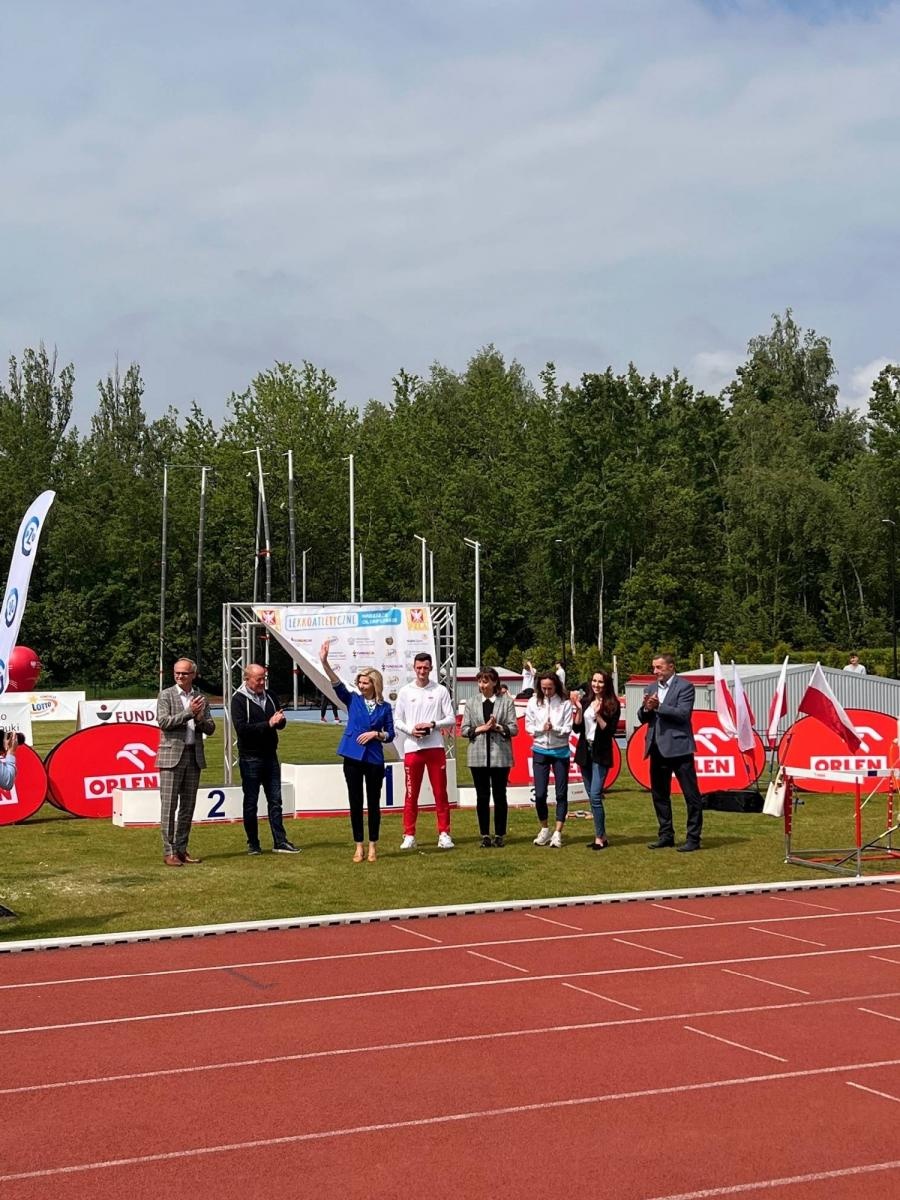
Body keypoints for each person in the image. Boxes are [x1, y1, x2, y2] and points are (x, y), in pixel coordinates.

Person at [319, 640, 395, 862]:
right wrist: (324, 662)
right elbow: (336, 684)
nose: (361, 686)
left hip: (373, 758)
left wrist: (376, 735)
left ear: (374, 684)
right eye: (360, 682)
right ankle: (358, 845)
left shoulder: (385, 707)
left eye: (365, 683)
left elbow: (391, 733)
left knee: (373, 802)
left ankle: (373, 845)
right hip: (352, 756)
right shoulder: (353, 699)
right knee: (355, 801)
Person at [230, 664, 300, 856]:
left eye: (263, 678)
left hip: (270, 755)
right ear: (247, 679)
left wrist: (280, 720)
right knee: (251, 802)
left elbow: (279, 723)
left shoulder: (270, 696)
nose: (262, 682)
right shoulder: (238, 700)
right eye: (258, 679)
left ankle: (280, 841)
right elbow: (242, 730)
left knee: (275, 800)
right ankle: (253, 843)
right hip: (250, 757)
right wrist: (268, 723)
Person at [638, 653, 703, 853]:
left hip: (679, 748)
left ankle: (693, 838)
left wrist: (659, 706)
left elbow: (683, 715)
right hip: (657, 747)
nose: (655, 671)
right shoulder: (650, 688)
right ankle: (666, 834)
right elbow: (642, 717)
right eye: (654, 668)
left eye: (659, 667)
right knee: (659, 794)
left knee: (691, 795)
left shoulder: (685, 687)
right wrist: (647, 709)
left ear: (671, 667)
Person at [155, 658, 215, 867]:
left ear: (193, 675)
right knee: (169, 806)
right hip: (171, 757)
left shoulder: (200, 697)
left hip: (193, 755)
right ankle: (169, 850)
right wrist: (188, 713)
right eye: (177, 673)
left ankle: (181, 849)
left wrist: (198, 719)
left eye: (184, 673)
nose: (180, 676)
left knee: (187, 807)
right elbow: (163, 723)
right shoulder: (166, 695)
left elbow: (210, 728)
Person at [394, 651, 456, 850]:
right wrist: (411, 730)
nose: (422, 671)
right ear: (414, 668)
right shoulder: (405, 692)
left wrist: (432, 724)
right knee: (411, 794)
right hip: (412, 748)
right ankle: (409, 834)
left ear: (431, 668)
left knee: (440, 792)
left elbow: (451, 718)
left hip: (435, 748)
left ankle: (444, 833)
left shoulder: (440, 691)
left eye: (426, 668)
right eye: (419, 668)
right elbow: (397, 720)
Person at [461, 667, 518, 847]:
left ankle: (500, 833)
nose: (482, 685)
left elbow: (514, 728)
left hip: (500, 755)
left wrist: (498, 727)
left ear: (494, 682)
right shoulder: (471, 702)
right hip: (478, 755)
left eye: (485, 681)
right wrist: (481, 729)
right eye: (480, 681)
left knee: (500, 795)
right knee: (482, 796)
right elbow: (464, 729)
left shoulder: (506, 702)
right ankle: (485, 834)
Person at [572, 671, 621, 850]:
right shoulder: (586, 702)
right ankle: (602, 835)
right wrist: (578, 709)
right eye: (594, 681)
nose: (597, 684)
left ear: (606, 684)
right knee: (592, 797)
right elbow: (577, 728)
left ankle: (599, 837)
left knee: (595, 796)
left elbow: (610, 732)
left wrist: (598, 715)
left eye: (600, 682)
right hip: (585, 752)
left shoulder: (613, 704)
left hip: (601, 753)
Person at [525, 672, 573, 848]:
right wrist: (541, 728)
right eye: (543, 688)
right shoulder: (533, 702)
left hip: (560, 751)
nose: (546, 691)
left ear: (556, 687)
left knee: (561, 793)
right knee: (539, 794)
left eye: (550, 688)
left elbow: (568, 728)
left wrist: (555, 728)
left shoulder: (565, 703)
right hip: (540, 750)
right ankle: (544, 828)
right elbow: (528, 726)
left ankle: (558, 832)